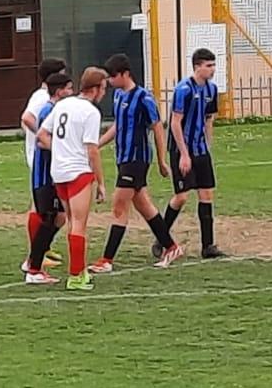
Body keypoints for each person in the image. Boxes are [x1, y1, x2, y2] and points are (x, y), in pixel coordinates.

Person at [91, 54, 184, 273]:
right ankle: (171, 247)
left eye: (114, 77)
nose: (111, 82)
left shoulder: (144, 98)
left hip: (137, 160)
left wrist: (162, 161)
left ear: (125, 74)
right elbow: (118, 126)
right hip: (123, 159)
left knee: (119, 206)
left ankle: (106, 260)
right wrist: (97, 144)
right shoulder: (118, 97)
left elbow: (158, 128)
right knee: (144, 206)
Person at [39, 67, 108, 291]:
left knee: (71, 221)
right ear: (96, 89)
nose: (105, 93)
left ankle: (79, 270)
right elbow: (92, 150)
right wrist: (101, 182)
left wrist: (59, 151)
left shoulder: (64, 104)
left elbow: (42, 134)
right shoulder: (91, 112)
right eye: (104, 89)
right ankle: (76, 275)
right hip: (77, 171)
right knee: (79, 223)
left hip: (59, 172)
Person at [162, 48, 225, 259]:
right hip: (182, 150)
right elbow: (175, 123)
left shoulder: (212, 89)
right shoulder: (184, 89)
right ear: (197, 66)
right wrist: (184, 154)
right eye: (208, 66)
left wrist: (207, 145)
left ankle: (208, 246)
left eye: (213, 65)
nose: (212, 69)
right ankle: (161, 237)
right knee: (181, 197)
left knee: (206, 195)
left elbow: (209, 119)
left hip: (200, 150)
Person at [24, 72, 75, 285]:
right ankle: (33, 267)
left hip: (51, 174)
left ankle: (35, 258)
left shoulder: (55, 110)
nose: (72, 93)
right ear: (60, 90)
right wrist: (63, 151)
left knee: (59, 217)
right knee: (49, 218)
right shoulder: (48, 110)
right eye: (69, 89)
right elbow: (42, 140)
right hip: (46, 175)